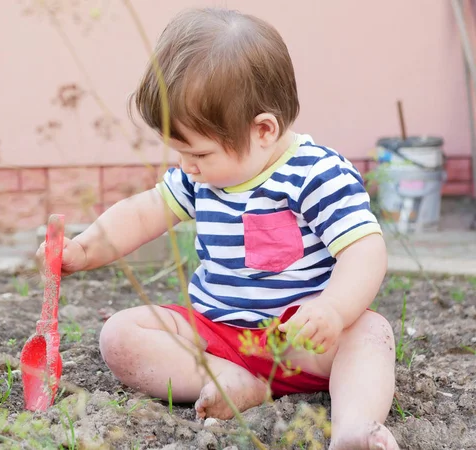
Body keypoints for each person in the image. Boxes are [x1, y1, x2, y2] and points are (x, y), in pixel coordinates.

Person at [37, 7, 398, 450]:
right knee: (121, 336)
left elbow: (365, 250)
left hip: (304, 340)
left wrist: (335, 310)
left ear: (263, 129)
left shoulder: (317, 174)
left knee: (370, 334)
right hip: (217, 335)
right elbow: (145, 210)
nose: (187, 166)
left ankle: (354, 428)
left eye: (200, 153)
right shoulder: (199, 177)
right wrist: (86, 248)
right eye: (180, 151)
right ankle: (234, 381)